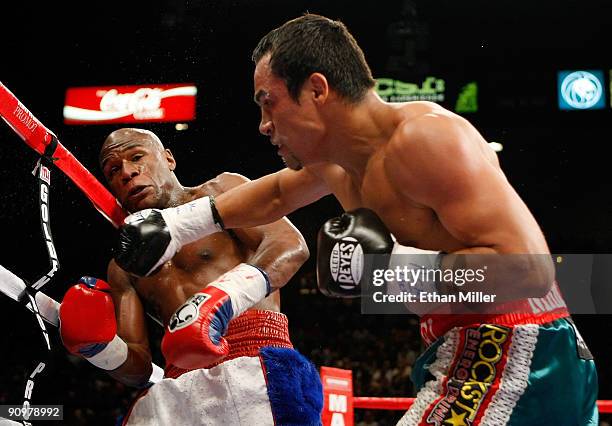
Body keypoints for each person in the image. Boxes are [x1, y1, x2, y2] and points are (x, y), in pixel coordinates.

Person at [114, 14, 598, 426]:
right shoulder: (338, 161)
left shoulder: (426, 139)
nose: (263, 125)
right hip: (464, 344)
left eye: (269, 102)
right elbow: (276, 194)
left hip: (518, 345)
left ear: (317, 90)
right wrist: (180, 223)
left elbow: (533, 270)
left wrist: (391, 270)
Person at [58, 128, 323, 425]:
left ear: (168, 159)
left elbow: (289, 244)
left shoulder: (221, 191)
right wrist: (102, 349)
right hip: (178, 382)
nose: (128, 173)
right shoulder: (123, 266)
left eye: (136, 157)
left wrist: (218, 302)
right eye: (113, 170)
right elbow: (140, 368)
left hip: (253, 358)